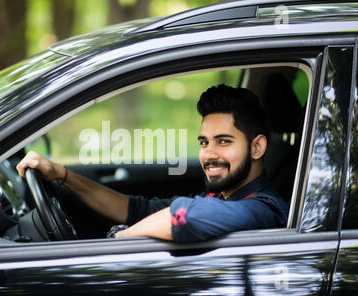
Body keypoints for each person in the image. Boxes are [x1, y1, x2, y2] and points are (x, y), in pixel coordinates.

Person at [16, 84, 289, 243]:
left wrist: (120, 239)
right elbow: (135, 209)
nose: (209, 154)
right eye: (204, 142)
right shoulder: (222, 195)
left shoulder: (265, 210)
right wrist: (61, 175)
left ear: (257, 147)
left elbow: (188, 216)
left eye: (224, 142)